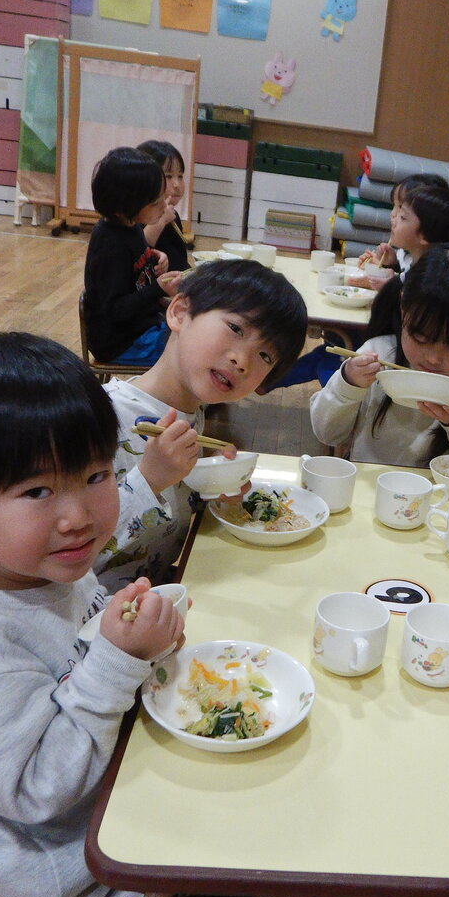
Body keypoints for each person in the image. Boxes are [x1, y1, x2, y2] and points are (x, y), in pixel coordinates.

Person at [0, 333, 326, 897]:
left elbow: (84, 657)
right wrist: (114, 657)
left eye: (95, 475)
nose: (78, 514)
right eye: (37, 490)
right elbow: (43, 789)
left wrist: (134, 645)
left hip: (119, 811)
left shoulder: (43, 567)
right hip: (74, 889)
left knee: (296, 866)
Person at [96, 258, 307, 591]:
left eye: (265, 356)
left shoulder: (191, 413)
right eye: (236, 328)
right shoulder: (99, 418)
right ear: (180, 312)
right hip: (94, 626)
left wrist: (211, 492)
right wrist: (150, 479)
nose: (242, 361)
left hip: (158, 599)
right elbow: (69, 547)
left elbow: (167, 514)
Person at [310, 245, 449, 472]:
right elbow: (327, 433)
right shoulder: (379, 355)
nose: (433, 359)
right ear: (404, 309)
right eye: (421, 338)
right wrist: (348, 384)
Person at [274, 179, 449, 391]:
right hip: (391, 341)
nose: (393, 218)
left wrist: (389, 287)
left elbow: (413, 320)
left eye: (402, 216)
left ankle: (339, 394)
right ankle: (270, 381)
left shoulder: (431, 277)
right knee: (333, 347)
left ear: (425, 234)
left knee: (333, 351)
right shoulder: (420, 264)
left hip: (399, 351)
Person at [82, 147, 182, 366]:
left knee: (195, 327)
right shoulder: (110, 244)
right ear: (124, 206)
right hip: (121, 342)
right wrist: (158, 289)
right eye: (156, 202)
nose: (164, 205)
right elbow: (116, 310)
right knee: (192, 349)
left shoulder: (131, 226)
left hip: (142, 327)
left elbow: (134, 268)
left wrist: (154, 257)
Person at [354, 174, 449, 281]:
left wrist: (387, 285)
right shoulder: (408, 255)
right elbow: (404, 276)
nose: (393, 214)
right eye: (395, 206)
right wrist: (392, 264)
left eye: (402, 213)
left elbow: (408, 291)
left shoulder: (434, 275)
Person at [139, 138, 191, 272]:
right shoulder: (140, 215)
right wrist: (161, 221)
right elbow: (140, 248)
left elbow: (179, 260)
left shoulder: (173, 215)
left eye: (180, 176)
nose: (177, 185)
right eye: (168, 176)